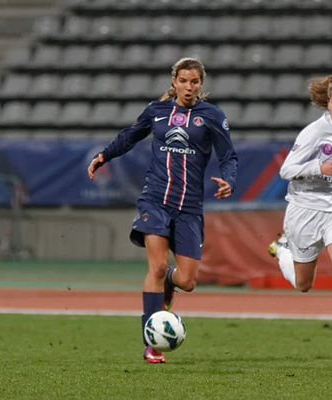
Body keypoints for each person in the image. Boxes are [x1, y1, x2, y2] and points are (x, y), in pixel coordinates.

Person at [87, 57, 238, 364]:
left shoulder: (211, 116)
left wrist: (229, 181)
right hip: (154, 200)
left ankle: (170, 281)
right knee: (154, 268)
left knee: (187, 281)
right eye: (183, 80)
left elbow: (229, 157)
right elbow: (130, 135)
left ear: (200, 85)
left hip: (189, 208)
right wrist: (105, 155)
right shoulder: (157, 112)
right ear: (174, 82)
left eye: (194, 82)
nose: (188, 87)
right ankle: (150, 343)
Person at [268, 75, 332, 360]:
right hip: (304, 211)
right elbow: (286, 170)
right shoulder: (314, 132)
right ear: (328, 104)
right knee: (303, 284)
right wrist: (319, 168)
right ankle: (281, 251)